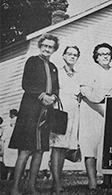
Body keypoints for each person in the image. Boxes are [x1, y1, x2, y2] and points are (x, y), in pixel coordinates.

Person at [9, 34, 60, 195]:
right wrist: (42, 95)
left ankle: (31, 186)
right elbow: (26, 84)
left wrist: (53, 97)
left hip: (46, 112)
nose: (47, 48)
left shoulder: (53, 67)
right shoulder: (32, 61)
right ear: (40, 46)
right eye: (44, 45)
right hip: (30, 111)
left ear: (54, 49)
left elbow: (56, 87)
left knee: (40, 150)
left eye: (50, 46)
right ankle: (15, 188)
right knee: (26, 149)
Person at [79, 43, 112, 190]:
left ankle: (107, 180)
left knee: (108, 145)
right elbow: (85, 93)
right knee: (91, 145)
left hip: (109, 109)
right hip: (91, 110)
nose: (105, 57)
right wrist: (100, 109)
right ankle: (92, 181)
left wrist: (109, 110)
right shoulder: (90, 70)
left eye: (108, 53)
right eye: (101, 54)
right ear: (96, 57)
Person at [49, 46, 81, 194]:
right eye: (69, 54)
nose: (72, 57)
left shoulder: (78, 75)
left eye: (75, 55)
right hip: (60, 111)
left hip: (74, 111)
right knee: (57, 147)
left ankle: (57, 180)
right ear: (63, 56)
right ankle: (56, 184)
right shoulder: (57, 72)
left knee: (64, 148)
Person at [2, 109, 19, 180]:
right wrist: (2, 149)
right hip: (8, 147)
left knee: (15, 162)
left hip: (14, 147)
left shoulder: (17, 129)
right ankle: (8, 177)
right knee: (8, 164)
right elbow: (2, 140)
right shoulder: (7, 128)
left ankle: (14, 177)